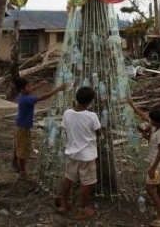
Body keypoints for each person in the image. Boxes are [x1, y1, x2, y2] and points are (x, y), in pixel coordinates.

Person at [57, 86, 101, 221]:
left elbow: (65, 127)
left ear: (76, 98)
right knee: (86, 183)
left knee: (68, 178)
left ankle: (64, 204)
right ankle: (82, 209)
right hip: (87, 155)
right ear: (90, 102)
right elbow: (98, 133)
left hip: (71, 153)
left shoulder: (67, 113)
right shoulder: (92, 116)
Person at [128, 97, 160, 227]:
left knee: (150, 188)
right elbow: (143, 116)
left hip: (157, 165)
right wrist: (132, 106)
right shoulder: (157, 128)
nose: (149, 121)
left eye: (151, 120)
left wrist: (152, 169)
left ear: (157, 122)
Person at [14, 77, 66, 180]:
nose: (30, 88)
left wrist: (40, 84)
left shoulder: (22, 96)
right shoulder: (27, 99)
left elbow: (31, 90)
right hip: (22, 128)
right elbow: (43, 97)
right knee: (22, 150)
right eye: (28, 86)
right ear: (22, 89)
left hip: (22, 127)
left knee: (22, 147)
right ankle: (22, 171)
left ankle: (17, 165)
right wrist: (57, 89)